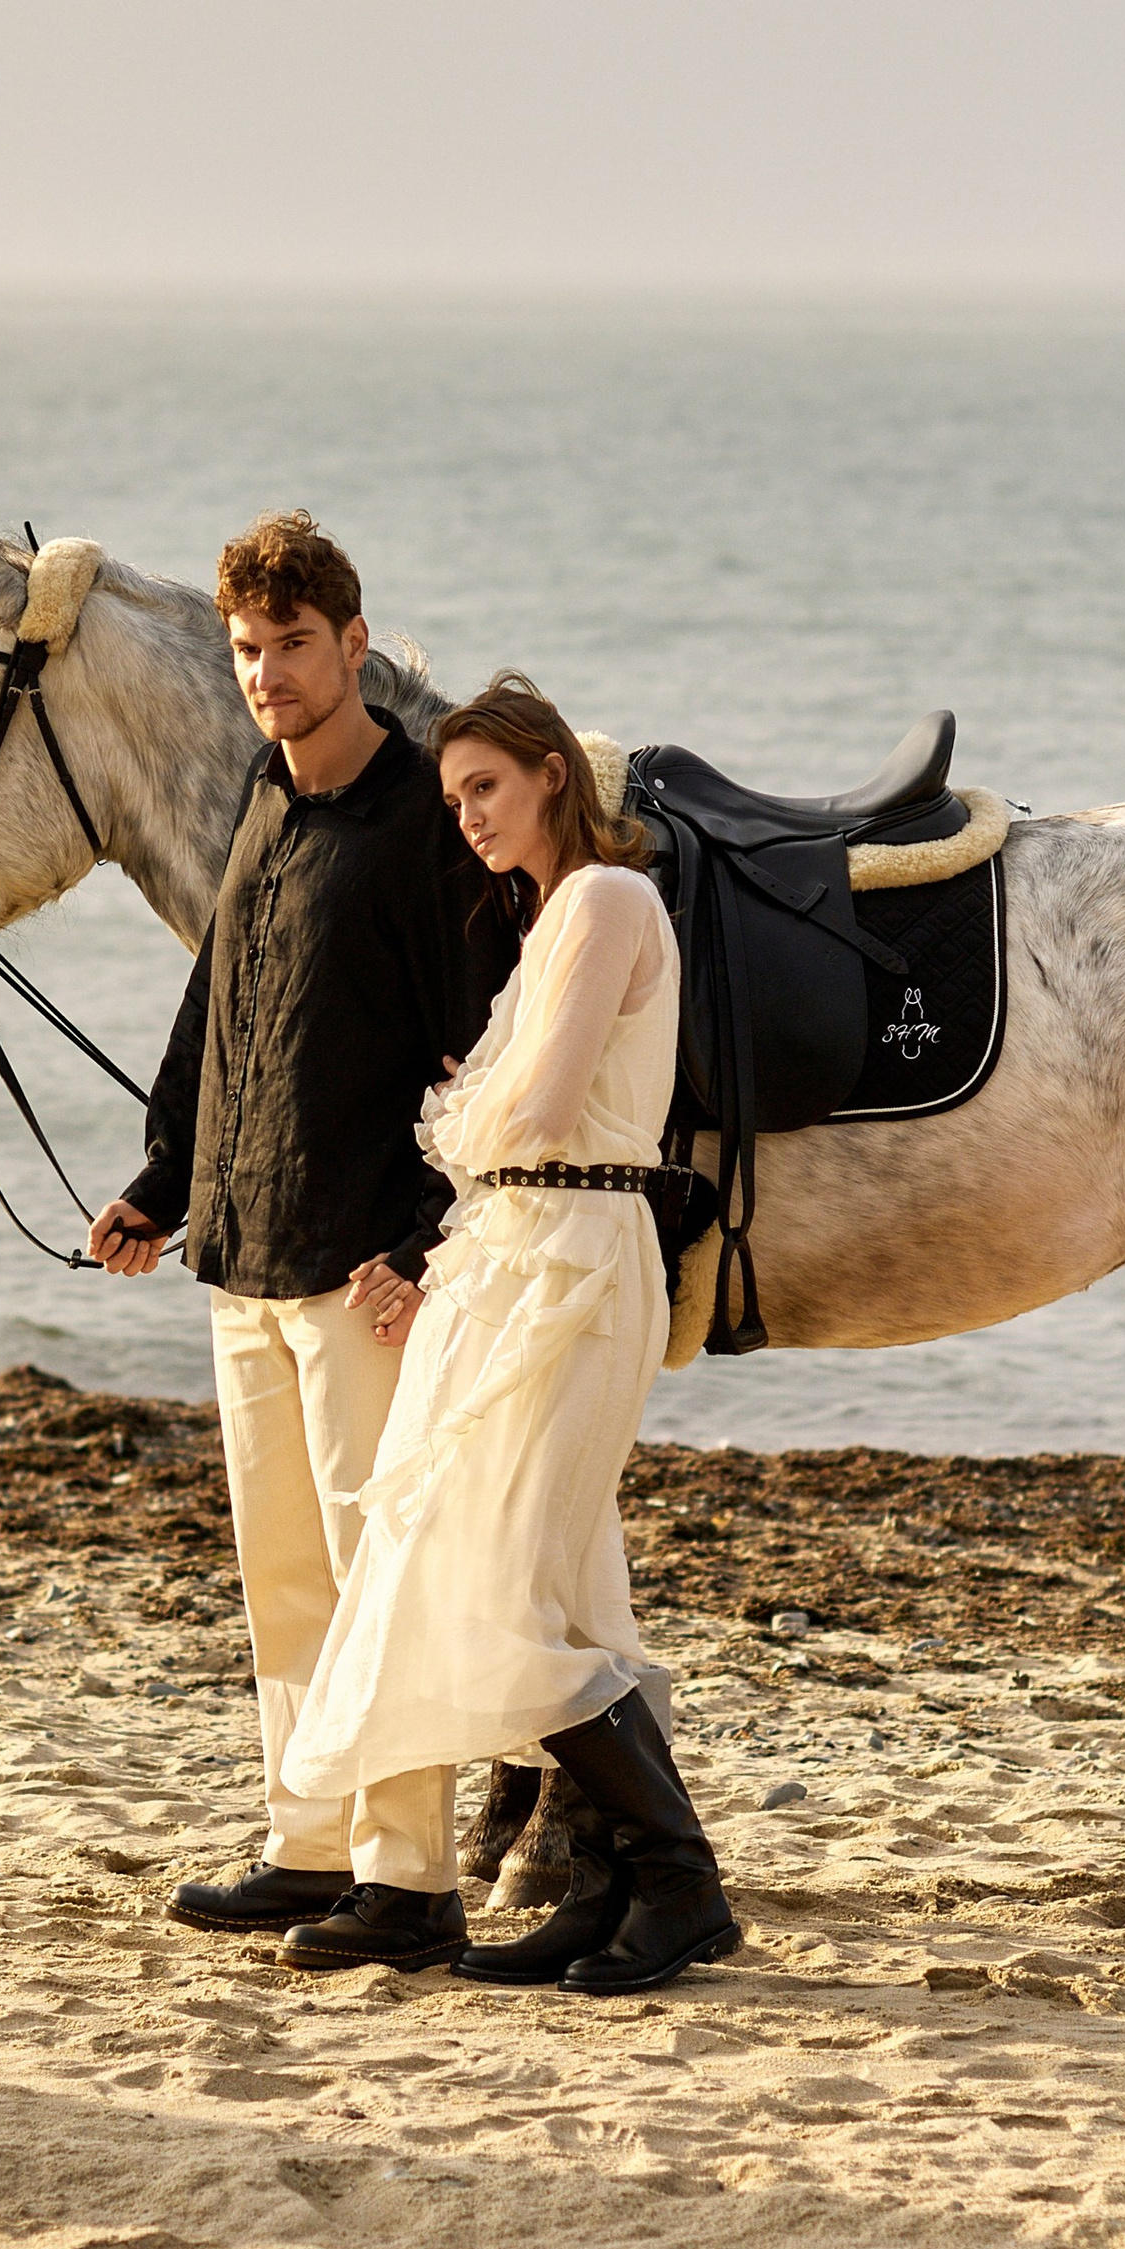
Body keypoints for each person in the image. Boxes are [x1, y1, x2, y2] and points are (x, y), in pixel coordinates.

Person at [89, 516, 517, 1970]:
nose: (268, 674)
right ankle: (309, 1842)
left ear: (353, 642)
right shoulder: (267, 803)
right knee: (286, 1574)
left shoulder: (422, 829)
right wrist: (162, 1179)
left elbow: (483, 1066)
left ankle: (410, 1883)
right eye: (247, 651)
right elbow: (215, 1013)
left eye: (291, 645)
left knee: (381, 1563)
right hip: (246, 1251)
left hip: (363, 1277)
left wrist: (423, 1239)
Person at [279, 675, 739, 2000]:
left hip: (581, 1265)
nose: (468, 816)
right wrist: (443, 1277)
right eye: (452, 798)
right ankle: (605, 1897)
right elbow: (508, 1143)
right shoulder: (547, 925)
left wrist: (462, 1113)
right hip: (518, 1260)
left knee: (510, 1588)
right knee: (563, 1587)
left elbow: (532, 1116)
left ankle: (681, 1883)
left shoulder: (603, 899)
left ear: (551, 776)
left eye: (485, 787)